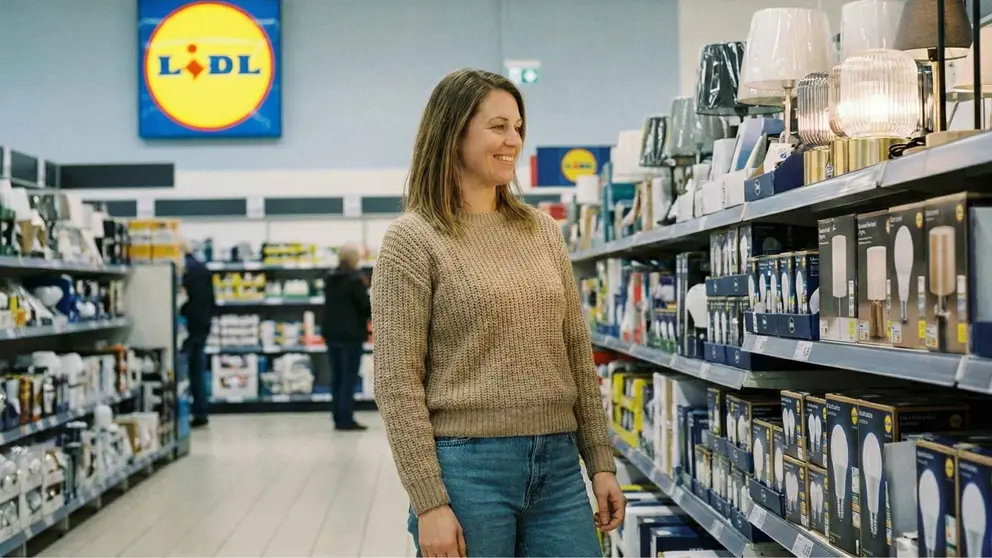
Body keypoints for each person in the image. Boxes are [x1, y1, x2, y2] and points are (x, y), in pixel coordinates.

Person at [371, 68, 625, 558]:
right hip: (467, 472)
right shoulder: (413, 240)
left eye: (519, 127)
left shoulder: (542, 231)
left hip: (558, 466)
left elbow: (575, 351)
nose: (514, 140)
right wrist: (429, 504)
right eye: (498, 126)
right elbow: (396, 383)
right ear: (453, 132)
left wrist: (600, 461)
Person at [322, 244, 371, 431]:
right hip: (351, 335)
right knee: (349, 377)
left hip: (332, 334)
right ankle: (346, 419)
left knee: (336, 377)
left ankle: (337, 416)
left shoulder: (330, 278)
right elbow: (365, 307)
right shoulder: (355, 280)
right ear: (355, 259)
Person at [180, 243, 215, 428]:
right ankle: (201, 410)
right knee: (198, 369)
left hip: (188, 327)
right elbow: (212, 301)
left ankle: (190, 411)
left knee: (187, 371)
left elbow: (184, 301)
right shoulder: (204, 269)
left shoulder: (184, 270)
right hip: (202, 326)